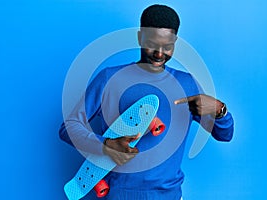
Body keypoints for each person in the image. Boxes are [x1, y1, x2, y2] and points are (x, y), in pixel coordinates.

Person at [59, 4, 234, 200]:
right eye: (153, 44)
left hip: (169, 196)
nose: (160, 53)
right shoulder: (109, 78)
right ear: (139, 37)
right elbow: (68, 127)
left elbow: (225, 135)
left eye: (168, 46)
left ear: (175, 42)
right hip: (119, 195)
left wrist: (220, 110)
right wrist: (105, 145)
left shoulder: (187, 84)